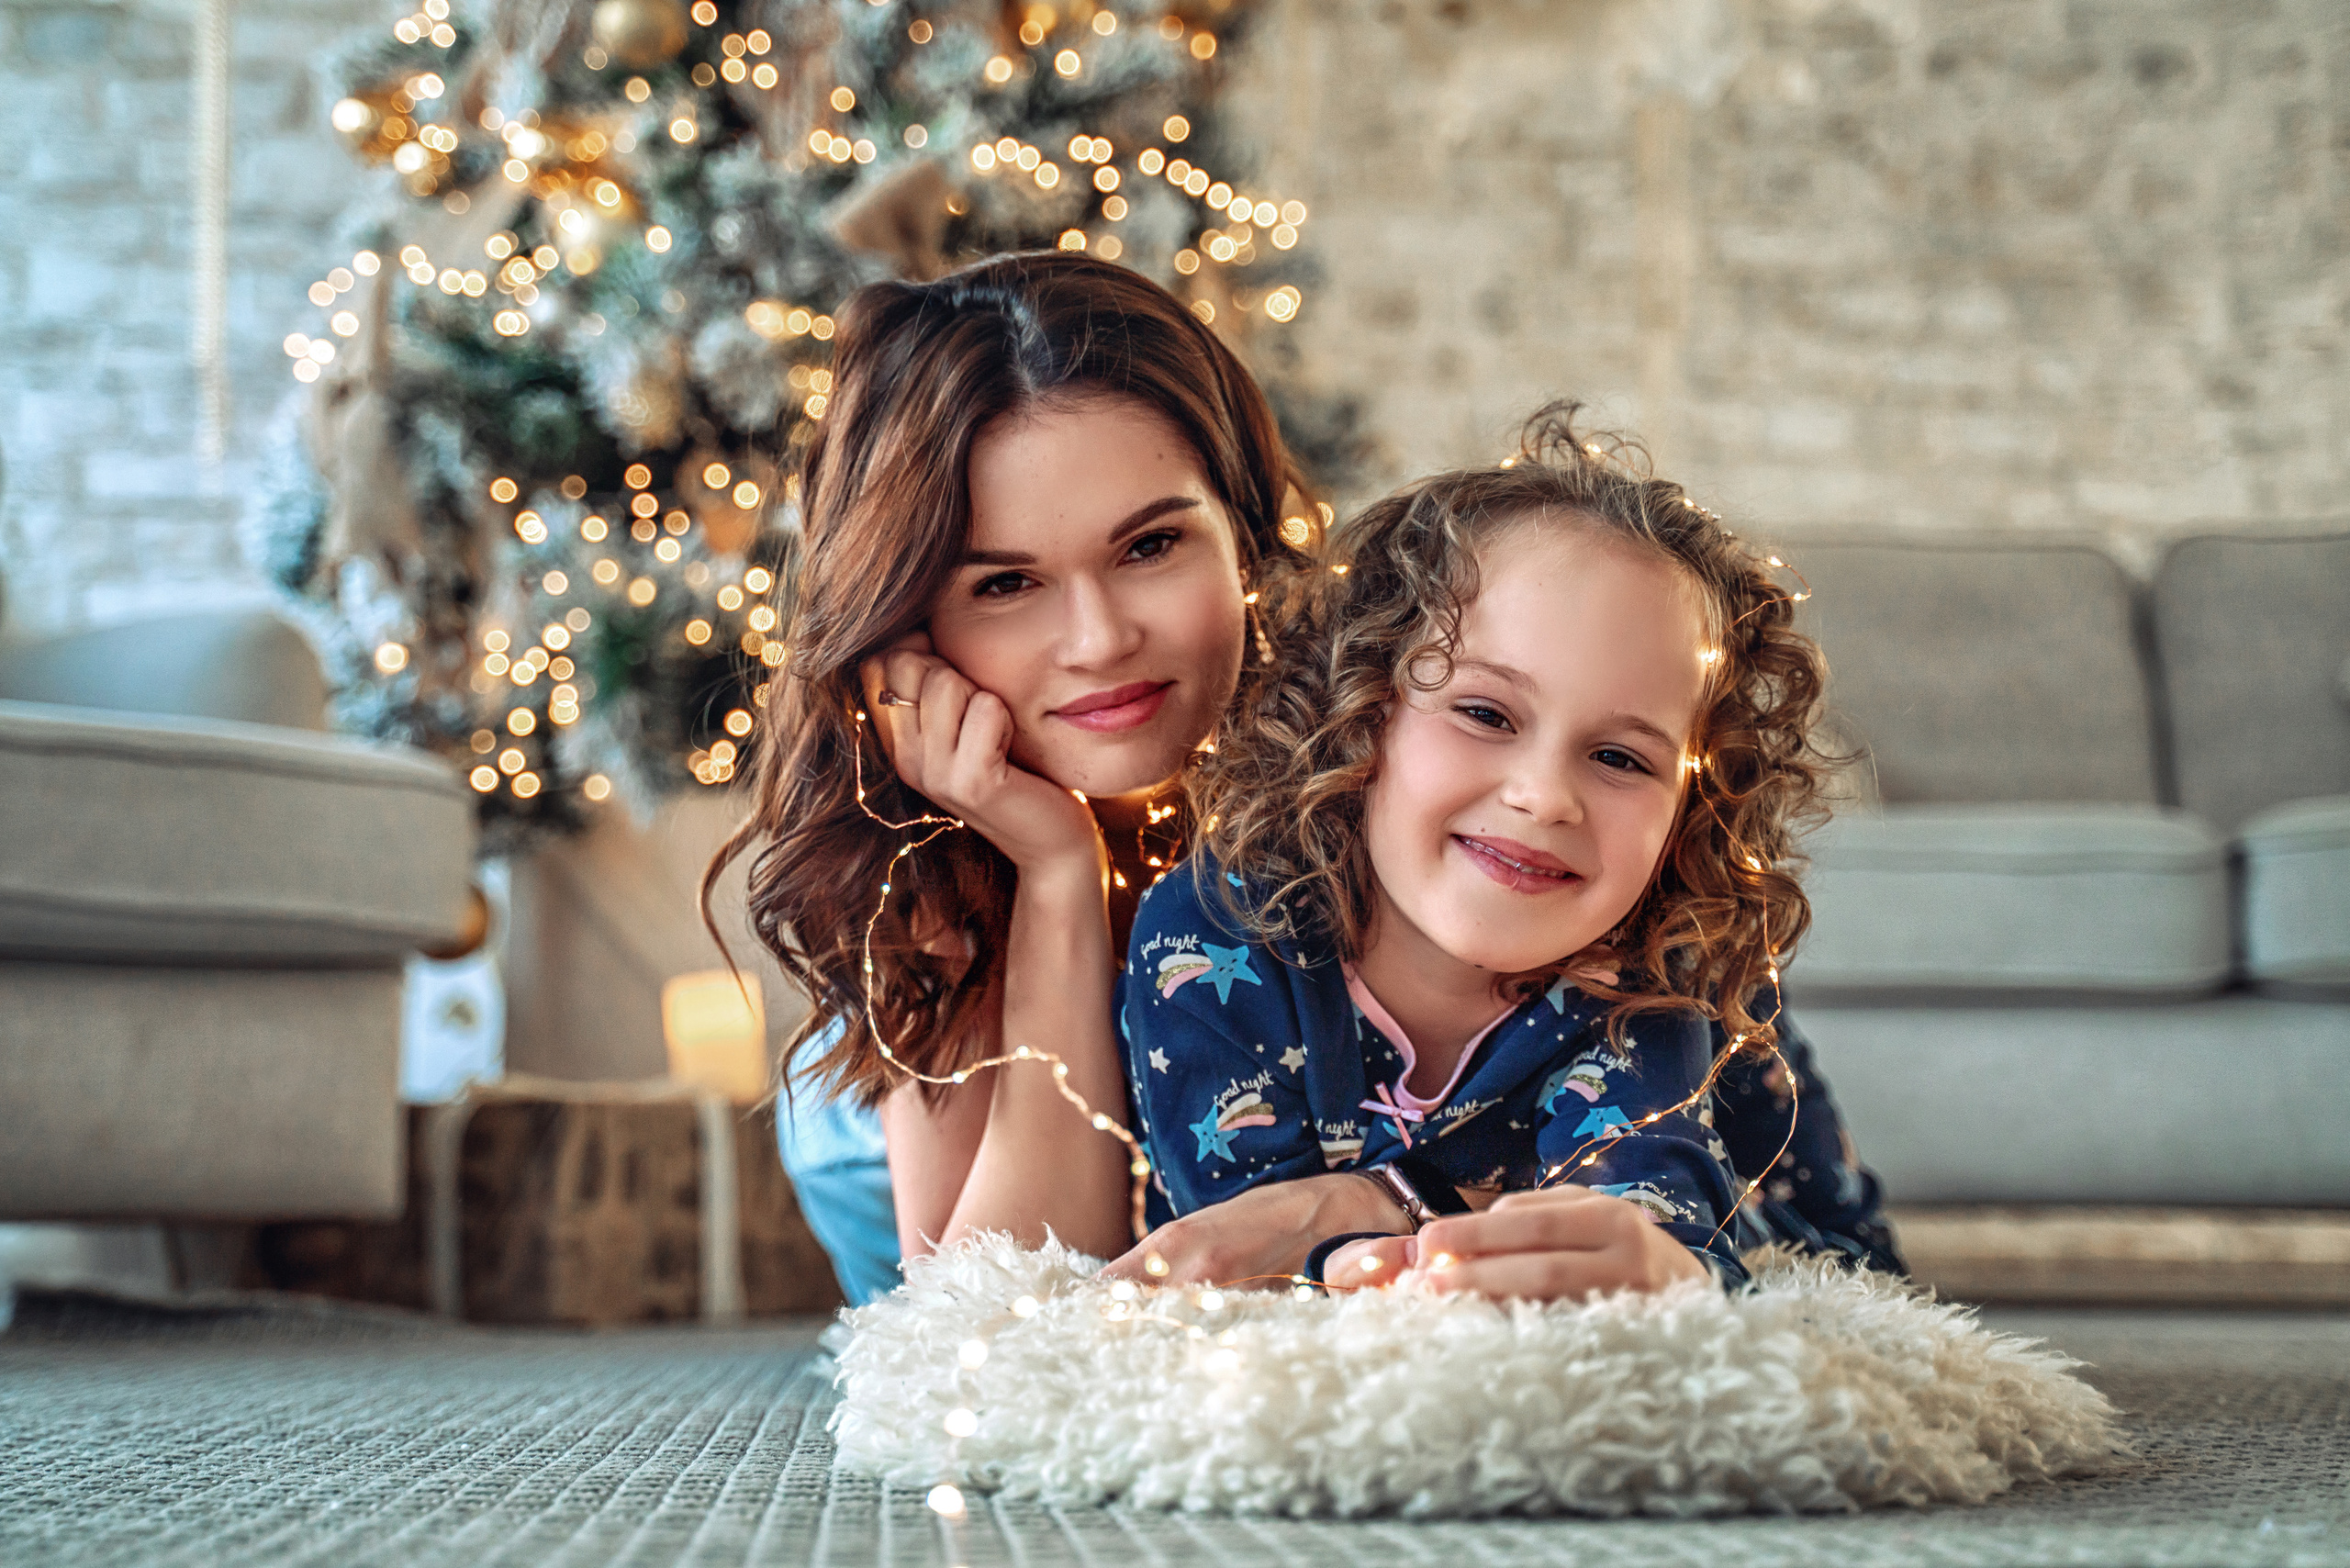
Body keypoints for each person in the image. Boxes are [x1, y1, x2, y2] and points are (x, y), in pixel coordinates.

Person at [718, 253, 1896, 1305]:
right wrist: (1055, 871)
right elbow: (999, 1304)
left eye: (1150, 545)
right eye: (1004, 583)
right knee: (846, 1133)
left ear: (1242, 532)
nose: (1097, 641)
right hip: (945, 1157)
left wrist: (1391, 1215)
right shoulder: (936, 837)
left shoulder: (1407, 729)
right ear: (913, 620)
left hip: (1538, 1139)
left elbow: (1691, 1181)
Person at [1106, 405, 1879, 1300]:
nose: (1543, 795)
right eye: (1485, 713)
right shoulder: (1215, 933)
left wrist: (1380, 1203)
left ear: (1690, 806)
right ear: (1360, 713)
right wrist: (1427, 1216)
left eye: (1621, 757)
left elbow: (1646, 1231)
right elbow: (1245, 1247)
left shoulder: (1648, 975)